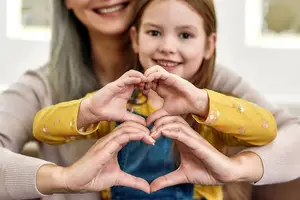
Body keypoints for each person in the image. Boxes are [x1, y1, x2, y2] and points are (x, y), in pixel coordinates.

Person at [0, 0, 300, 199]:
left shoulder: (206, 86)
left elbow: (272, 129)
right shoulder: (101, 99)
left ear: (209, 45)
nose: (168, 48)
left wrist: (235, 166)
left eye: (185, 35)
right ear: (136, 37)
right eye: (155, 32)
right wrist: (64, 175)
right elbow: (43, 125)